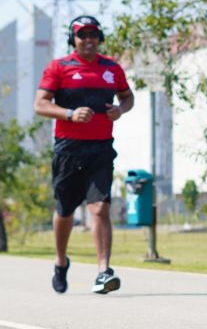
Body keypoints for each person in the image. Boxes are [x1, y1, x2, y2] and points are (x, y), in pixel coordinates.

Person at [34, 15, 134, 295]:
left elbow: (128, 97)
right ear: (73, 39)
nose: (88, 40)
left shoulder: (112, 68)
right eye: (82, 35)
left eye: (93, 35)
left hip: (101, 148)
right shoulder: (59, 67)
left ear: (99, 39)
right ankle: (61, 261)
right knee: (65, 211)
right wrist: (69, 113)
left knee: (100, 208)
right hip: (68, 150)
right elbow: (40, 104)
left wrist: (120, 110)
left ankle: (104, 272)